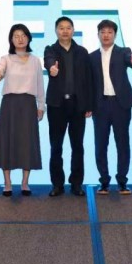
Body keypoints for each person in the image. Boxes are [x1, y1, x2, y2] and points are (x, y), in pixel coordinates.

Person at [0, 24, 45, 197]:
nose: (20, 39)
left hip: (28, 104)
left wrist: (41, 106)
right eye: (16, 36)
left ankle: (25, 182)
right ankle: (7, 182)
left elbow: (40, 84)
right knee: (7, 141)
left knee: (27, 142)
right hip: (10, 104)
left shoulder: (35, 60)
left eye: (23, 35)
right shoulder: (6, 58)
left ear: (28, 38)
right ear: (11, 40)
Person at [89, 19, 132, 196]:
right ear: (98, 35)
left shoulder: (123, 52)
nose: (106, 35)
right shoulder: (92, 57)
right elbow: (89, 84)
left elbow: (130, 59)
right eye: (103, 32)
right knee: (100, 144)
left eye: (110, 32)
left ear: (115, 35)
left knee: (122, 143)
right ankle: (104, 182)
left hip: (121, 105)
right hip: (100, 105)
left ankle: (122, 182)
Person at [44, 16, 93, 197]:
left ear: (73, 30)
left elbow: (88, 79)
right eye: (61, 28)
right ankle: (57, 184)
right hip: (57, 105)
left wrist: (89, 104)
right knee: (56, 146)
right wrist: (52, 68)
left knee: (77, 146)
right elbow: (48, 60)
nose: (65, 31)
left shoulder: (82, 51)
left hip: (78, 105)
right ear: (56, 30)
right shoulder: (51, 49)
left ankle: (76, 183)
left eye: (68, 28)